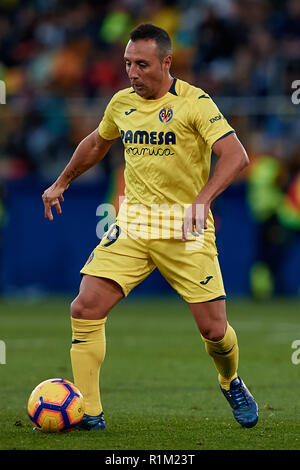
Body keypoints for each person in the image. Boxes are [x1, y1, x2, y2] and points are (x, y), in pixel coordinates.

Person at [42, 23, 258, 430]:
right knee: (85, 307)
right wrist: (62, 181)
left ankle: (230, 380)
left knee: (214, 330)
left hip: (186, 228)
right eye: (127, 64)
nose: (133, 73)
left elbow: (236, 155)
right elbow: (95, 143)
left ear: (166, 63)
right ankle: (90, 413)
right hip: (135, 223)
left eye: (142, 64)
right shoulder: (121, 103)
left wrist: (201, 201)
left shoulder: (195, 102)